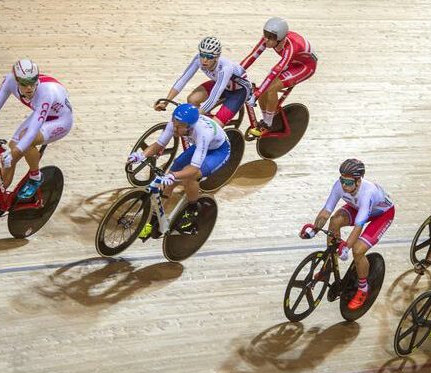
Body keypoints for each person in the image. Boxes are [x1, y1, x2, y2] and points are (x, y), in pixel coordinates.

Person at [0, 59, 73, 222]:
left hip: (60, 120)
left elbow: (32, 132)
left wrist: (16, 150)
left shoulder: (45, 92)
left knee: (24, 141)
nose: (29, 87)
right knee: (11, 155)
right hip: (42, 114)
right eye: (24, 83)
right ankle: (0, 203)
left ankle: (36, 177)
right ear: (16, 80)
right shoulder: (9, 81)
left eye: (32, 82)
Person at [300, 159, 395, 311]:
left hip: (381, 215)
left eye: (348, 182)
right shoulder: (339, 186)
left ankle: (363, 289)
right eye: (342, 180)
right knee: (334, 221)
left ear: (358, 181)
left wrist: (347, 247)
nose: (344, 185)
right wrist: (314, 230)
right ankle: (328, 267)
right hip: (357, 208)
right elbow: (326, 211)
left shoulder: (367, 193)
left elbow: (359, 226)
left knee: (357, 250)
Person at [128, 103, 229, 235]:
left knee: (190, 177)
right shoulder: (175, 123)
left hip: (218, 151)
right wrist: (141, 155)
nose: (174, 129)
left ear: (189, 127)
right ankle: (155, 220)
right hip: (199, 147)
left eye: (178, 126)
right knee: (167, 182)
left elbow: (193, 169)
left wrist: (174, 176)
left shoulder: (203, 133)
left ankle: (193, 210)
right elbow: (159, 144)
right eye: (174, 123)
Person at [240, 17, 317, 136]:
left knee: (270, 88)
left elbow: (275, 71)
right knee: (263, 88)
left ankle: (267, 124)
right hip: (293, 62)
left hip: (305, 66)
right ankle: (267, 117)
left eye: (270, 38)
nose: (266, 40)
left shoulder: (290, 47)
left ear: (280, 39)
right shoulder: (269, 38)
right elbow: (253, 56)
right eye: (265, 34)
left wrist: (256, 94)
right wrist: (237, 71)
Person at [154, 36, 250, 127]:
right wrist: (166, 102)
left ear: (217, 57)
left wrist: (194, 116)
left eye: (209, 57)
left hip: (238, 92)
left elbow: (214, 97)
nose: (204, 60)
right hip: (222, 84)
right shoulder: (198, 59)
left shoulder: (225, 68)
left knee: (214, 126)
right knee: (192, 99)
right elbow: (183, 79)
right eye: (202, 55)